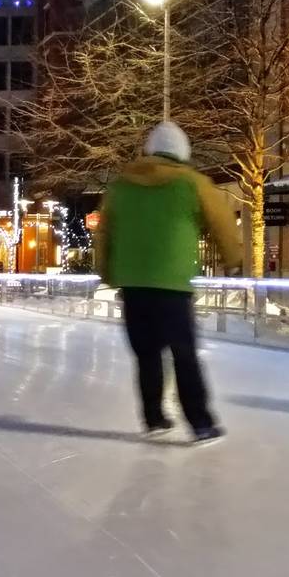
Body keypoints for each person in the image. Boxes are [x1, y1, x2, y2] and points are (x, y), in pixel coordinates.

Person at [97, 121, 242, 446]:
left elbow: (104, 234)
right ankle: (200, 423)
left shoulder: (121, 186)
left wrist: (107, 272)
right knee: (184, 353)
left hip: (133, 285)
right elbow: (222, 223)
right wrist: (232, 257)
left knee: (147, 354)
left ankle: (154, 418)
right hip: (173, 284)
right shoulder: (193, 183)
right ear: (183, 152)